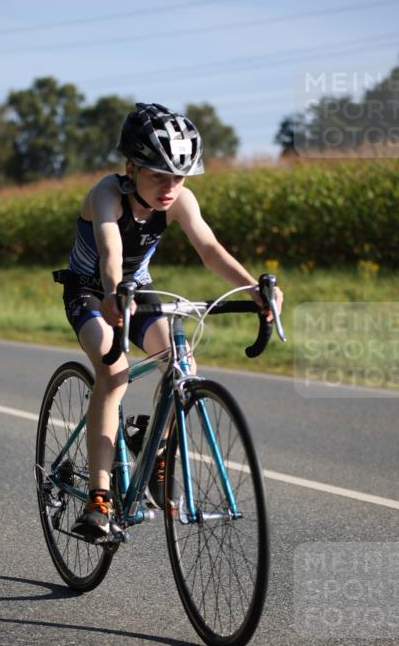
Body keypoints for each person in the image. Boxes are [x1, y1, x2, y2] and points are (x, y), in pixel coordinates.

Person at [61, 102, 283, 540]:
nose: (170, 187)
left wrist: (251, 290)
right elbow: (109, 252)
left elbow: (210, 249)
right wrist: (110, 296)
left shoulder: (179, 200)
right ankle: (99, 499)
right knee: (114, 372)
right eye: (158, 175)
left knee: (183, 366)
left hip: (137, 290)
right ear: (131, 167)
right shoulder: (106, 193)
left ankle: (156, 451)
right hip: (91, 291)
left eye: (179, 177)